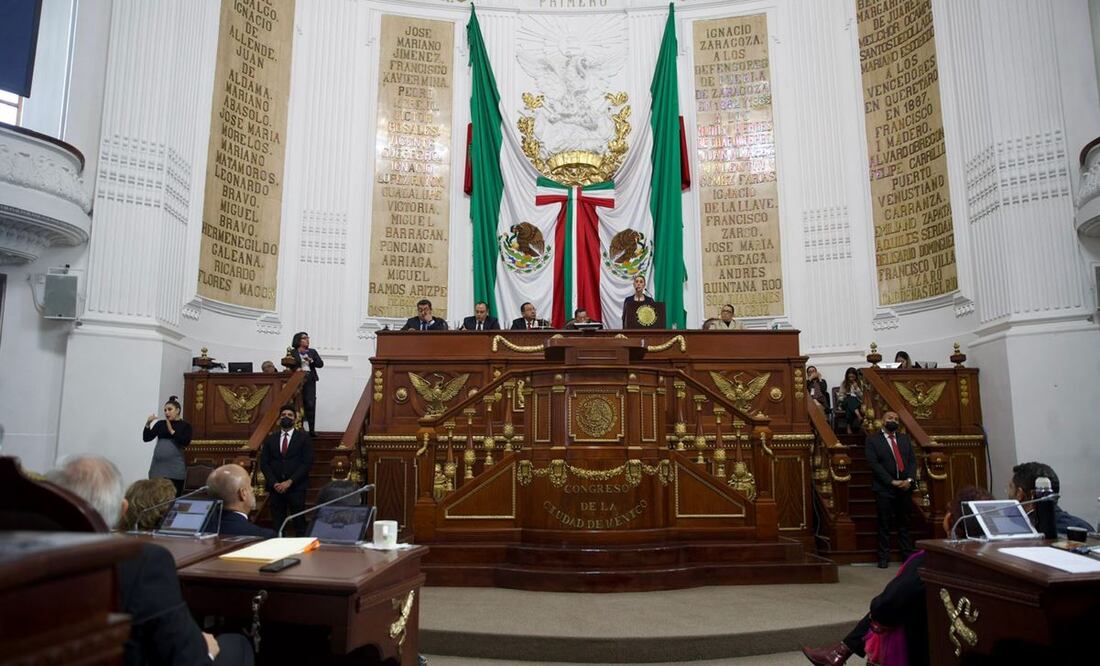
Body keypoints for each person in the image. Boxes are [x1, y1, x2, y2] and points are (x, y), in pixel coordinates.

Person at [47, 455, 253, 666]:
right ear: (122, 510)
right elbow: (183, 656)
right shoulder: (143, 562)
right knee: (237, 643)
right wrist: (206, 650)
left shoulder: (32, 559)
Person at [801, 486, 994, 666]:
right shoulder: (994, 559)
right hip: (975, 643)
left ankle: (842, 650)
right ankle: (842, 650)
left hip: (926, 645)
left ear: (951, 520)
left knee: (893, 605)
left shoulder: (932, 560)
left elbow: (885, 606)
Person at [866, 411, 917, 568]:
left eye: (896, 419)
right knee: (884, 523)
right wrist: (891, 481)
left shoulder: (904, 439)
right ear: (883, 421)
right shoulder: (873, 440)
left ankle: (907, 557)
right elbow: (873, 464)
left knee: (904, 523)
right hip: (884, 488)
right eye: (890, 418)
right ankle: (883, 557)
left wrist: (909, 480)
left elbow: (912, 461)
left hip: (905, 487)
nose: (893, 420)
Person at [260, 405, 314, 537]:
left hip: (296, 487)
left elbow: (306, 463)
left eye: (289, 415)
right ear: (279, 419)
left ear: (295, 419)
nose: (286, 417)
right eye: (283, 415)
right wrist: (274, 483)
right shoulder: (270, 439)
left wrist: (290, 482)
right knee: (278, 525)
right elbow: (264, 463)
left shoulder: (304, 438)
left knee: (299, 523)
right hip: (275, 488)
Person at [1008, 461, 1093, 534]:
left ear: (1019, 493)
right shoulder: (1083, 527)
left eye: (1010, 487)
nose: (1007, 491)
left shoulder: (1022, 532)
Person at [142, 395, 193, 496]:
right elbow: (146, 438)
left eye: (170, 409)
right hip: (157, 468)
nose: (166, 412)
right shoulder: (160, 424)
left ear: (177, 410)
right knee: (155, 497)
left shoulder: (185, 425)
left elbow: (185, 442)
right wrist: (148, 424)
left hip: (175, 468)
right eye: (165, 410)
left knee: (173, 497)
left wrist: (172, 431)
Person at [207, 464, 275, 538]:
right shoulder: (265, 537)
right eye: (250, 485)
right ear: (243, 493)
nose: (252, 489)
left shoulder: (200, 530)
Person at [289, 331, 323, 436]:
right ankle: (298, 428)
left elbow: (320, 364)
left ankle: (311, 430)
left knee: (310, 403)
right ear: (298, 340)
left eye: (308, 338)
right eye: (304, 338)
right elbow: (288, 363)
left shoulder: (312, 351)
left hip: (309, 379)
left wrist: (311, 360)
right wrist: (296, 368)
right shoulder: (292, 352)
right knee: (298, 403)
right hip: (296, 380)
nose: (307, 340)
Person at [836, 367, 863, 434]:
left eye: (853, 377)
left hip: (857, 402)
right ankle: (858, 415)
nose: (851, 378)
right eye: (849, 377)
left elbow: (862, 396)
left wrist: (857, 388)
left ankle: (848, 426)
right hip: (845, 402)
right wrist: (844, 396)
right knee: (849, 398)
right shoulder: (844, 383)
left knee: (849, 406)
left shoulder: (860, 383)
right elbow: (840, 396)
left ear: (856, 376)